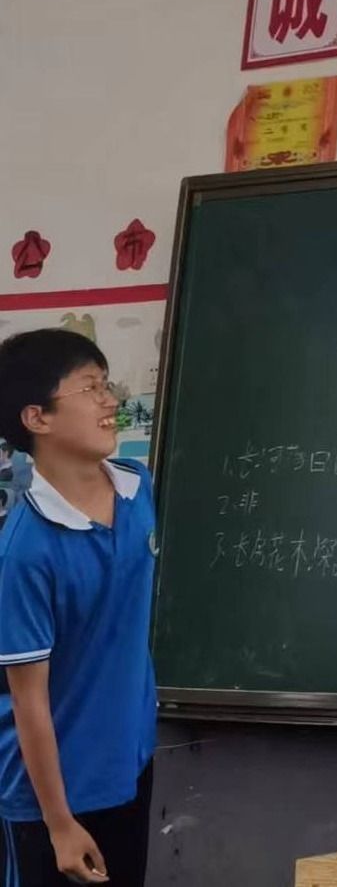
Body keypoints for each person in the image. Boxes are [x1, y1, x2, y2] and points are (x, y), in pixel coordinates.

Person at [0, 329, 159, 886]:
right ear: (37, 418)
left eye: (107, 383)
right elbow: (29, 700)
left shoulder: (139, 489)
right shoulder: (25, 553)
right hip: (52, 794)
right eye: (90, 388)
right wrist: (59, 823)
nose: (111, 400)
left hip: (128, 765)